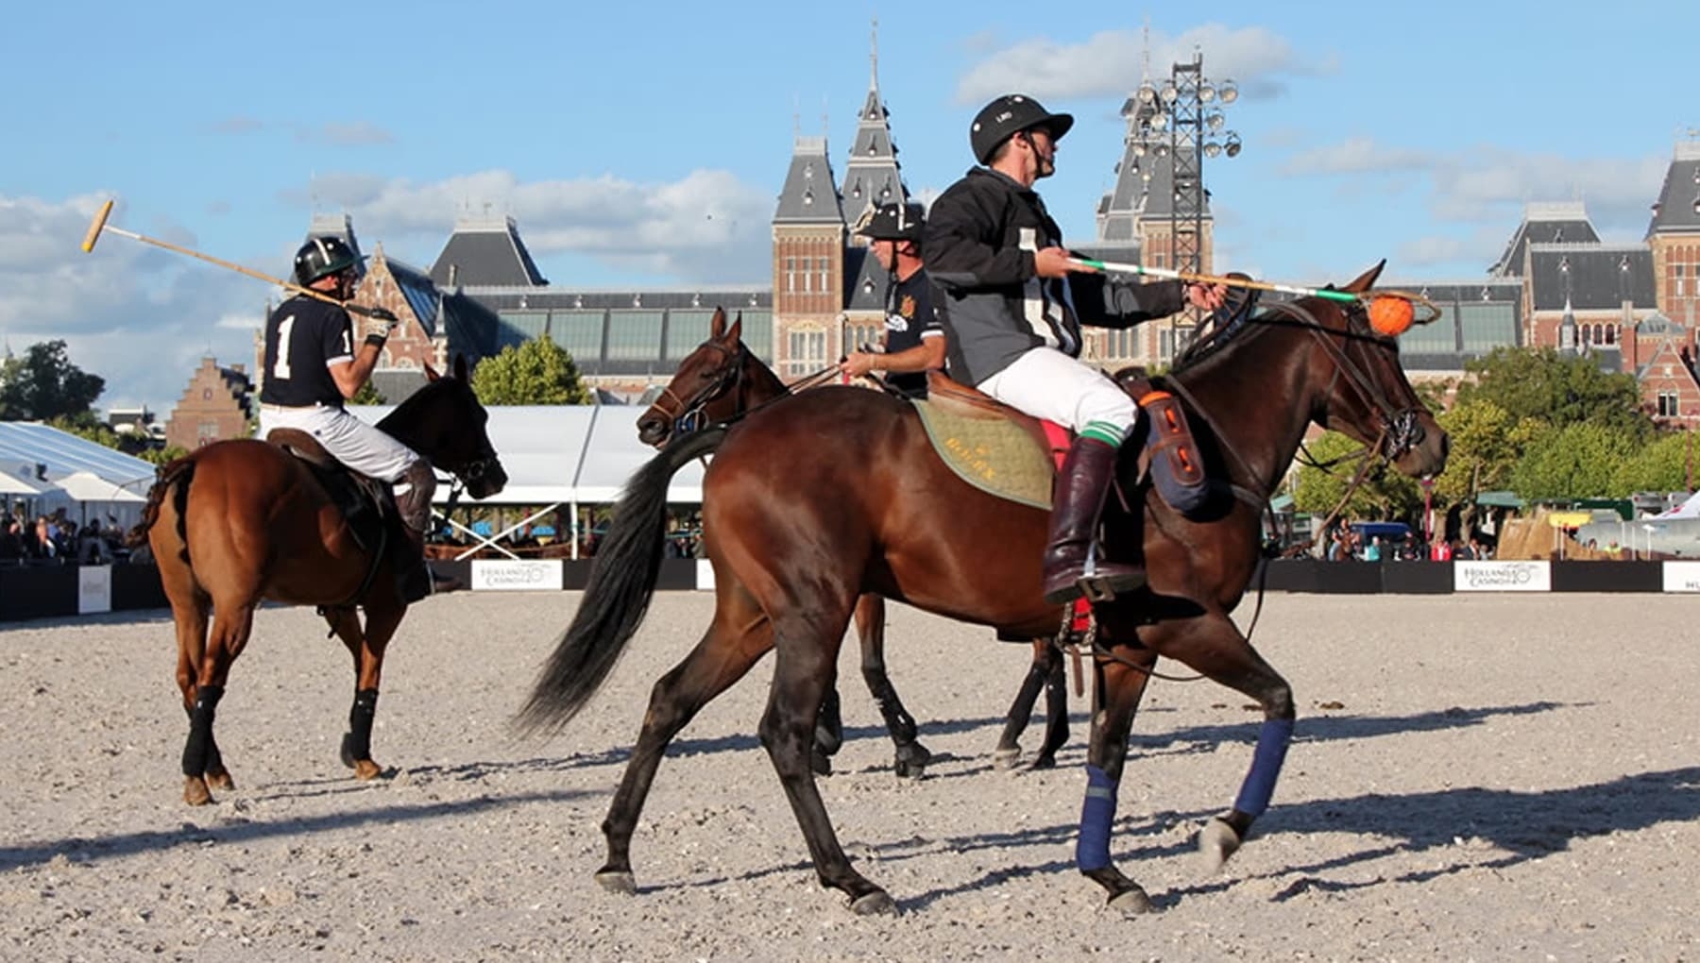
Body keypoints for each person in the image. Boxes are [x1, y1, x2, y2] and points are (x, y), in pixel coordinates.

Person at [924, 93, 1225, 605]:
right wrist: (1032, 266)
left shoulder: (1036, 215)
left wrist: (1180, 293)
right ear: (1019, 140)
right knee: (1109, 405)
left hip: (1038, 356)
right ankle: (1068, 556)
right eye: (1047, 135)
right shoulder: (973, 197)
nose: (1055, 145)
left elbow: (1098, 295)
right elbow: (943, 256)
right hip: (1002, 354)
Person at [258, 236, 457, 602]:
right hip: (317, 419)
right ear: (331, 278)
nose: (354, 278)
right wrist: (376, 339)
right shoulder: (332, 315)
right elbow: (349, 384)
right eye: (348, 272)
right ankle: (413, 572)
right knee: (417, 474)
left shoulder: (282, 314)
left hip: (269, 421)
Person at [840, 200, 946, 398]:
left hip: (923, 397)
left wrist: (872, 362)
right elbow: (898, 336)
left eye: (879, 240)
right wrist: (872, 350)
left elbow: (935, 355)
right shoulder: (895, 285)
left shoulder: (931, 286)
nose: (874, 248)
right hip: (896, 393)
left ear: (904, 244)